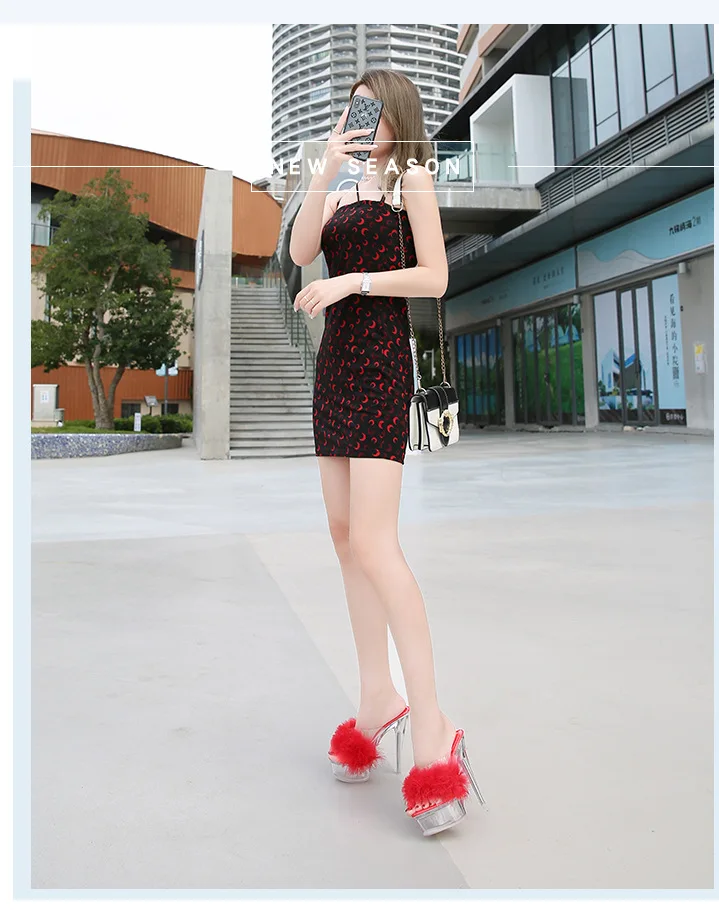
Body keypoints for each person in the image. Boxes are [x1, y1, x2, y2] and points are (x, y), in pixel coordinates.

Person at [289, 68, 484, 836]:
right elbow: (301, 249)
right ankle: (377, 698)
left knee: (376, 543)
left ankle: (432, 725)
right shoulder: (338, 187)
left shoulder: (413, 181)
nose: (360, 120)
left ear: (397, 116)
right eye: (352, 109)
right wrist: (325, 167)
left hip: (376, 364)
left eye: (371, 110)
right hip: (334, 367)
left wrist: (353, 285)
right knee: (344, 538)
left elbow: (435, 278)